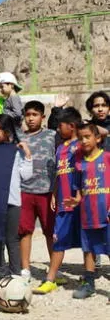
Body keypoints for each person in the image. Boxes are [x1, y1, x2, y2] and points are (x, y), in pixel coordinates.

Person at [34, 107, 83, 295]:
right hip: (63, 202)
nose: (57, 130)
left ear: (71, 126)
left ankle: (89, 277)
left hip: (80, 201)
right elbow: (59, 174)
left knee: (92, 240)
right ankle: (50, 279)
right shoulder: (61, 148)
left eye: (60, 126)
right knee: (58, 238)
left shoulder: (81, 145)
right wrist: (54, 193)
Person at [69, 123, 110, 300]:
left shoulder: (107, 157)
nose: (84, 140)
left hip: (106, 214)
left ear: (98, 138)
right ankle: (89, 284)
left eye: (88, 136)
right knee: (88, 249)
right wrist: (76, 199)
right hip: (87, 213)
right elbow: (78, 186)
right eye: (80, 138)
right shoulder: (79, 163)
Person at [0, 114, 33, 278]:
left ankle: (15, 274)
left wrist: (28, 155)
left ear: (7, 132)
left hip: (13, 201)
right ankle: (1, 275)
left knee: (12, 240)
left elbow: (26, 176)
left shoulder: (17, 151)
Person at [18, 101, 56, 281]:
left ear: (43, 117)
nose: (31, 118)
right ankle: (25, 269)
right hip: (24, 191)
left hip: (47, 191)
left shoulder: (52, 135)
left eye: (35, 115)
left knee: (50, 231)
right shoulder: (19, 137)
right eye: (28, 115)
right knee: (25, 231)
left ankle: (53, 269)